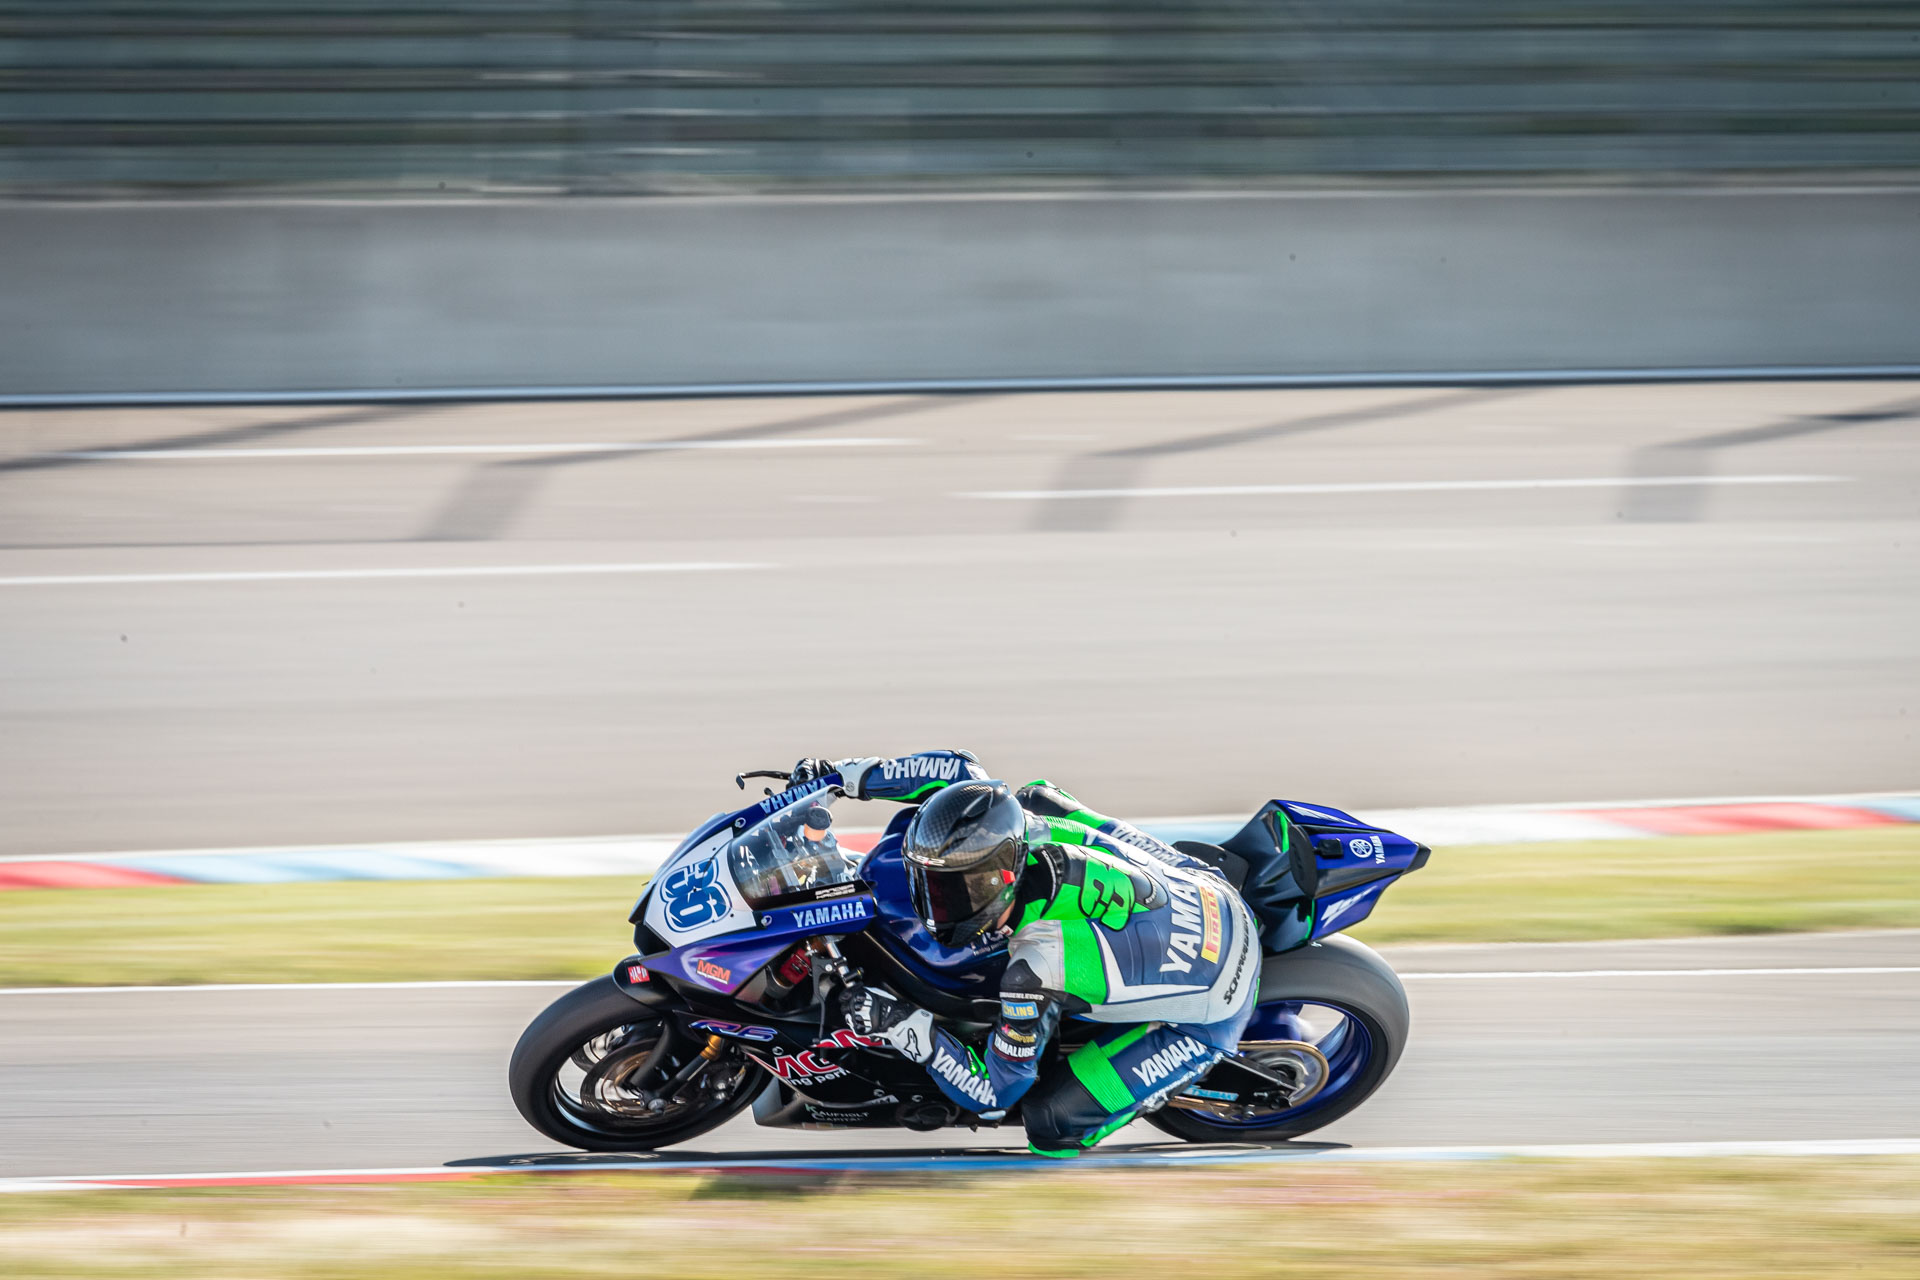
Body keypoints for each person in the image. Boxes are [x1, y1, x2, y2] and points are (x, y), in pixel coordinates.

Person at [786, 750, 1260, 1158]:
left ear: (1000, 883)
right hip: (1197, 883)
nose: (932, 902)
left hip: (1217, 993)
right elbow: (954, 766)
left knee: (1050, 1123)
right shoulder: (1005, 823)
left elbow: (992, 1093)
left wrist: (903, 1024)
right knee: (1036, 796)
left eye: (951, 892)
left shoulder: (1038, 964)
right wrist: (841, 776)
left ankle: (1178, 1066)